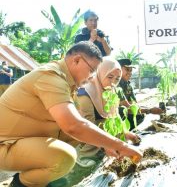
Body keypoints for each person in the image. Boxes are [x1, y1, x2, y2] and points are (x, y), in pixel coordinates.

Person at [0, 41, 142, 187]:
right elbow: (73, 125)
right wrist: (122, 146)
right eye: (92, 70)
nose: (92, 77)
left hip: (21, 139)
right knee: (64, 157)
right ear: (77, 60)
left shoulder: (67, 82)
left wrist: (106, 144)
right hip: (5, 144)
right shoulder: (51, 77)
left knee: (75, 139)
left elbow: (79, 125)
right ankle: (20, 184)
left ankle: (43, 177)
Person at [77, 60, 140, 158]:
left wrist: (126, 133)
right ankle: (83, 156)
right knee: (101, 127)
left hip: (101, 128)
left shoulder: (111, 90)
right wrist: (106, 144)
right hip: (83, 129)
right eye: (110, 77)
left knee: (115, 123)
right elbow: (87, 124)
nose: (113, 82)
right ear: (100, 73)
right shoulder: (85, 92)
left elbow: (115, 115)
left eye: (117, 79)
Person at [117, 58, 163, 130]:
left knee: (140, 115)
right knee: (124, 111)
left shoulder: (128, 85)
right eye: (127, 69)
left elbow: (134, 104)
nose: (130, 73)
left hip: (126, 113)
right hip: (117, 117)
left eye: (131, 70)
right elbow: (127, 106)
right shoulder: (116, 85)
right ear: (118, 70)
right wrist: (149, 110)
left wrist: (148, 109)